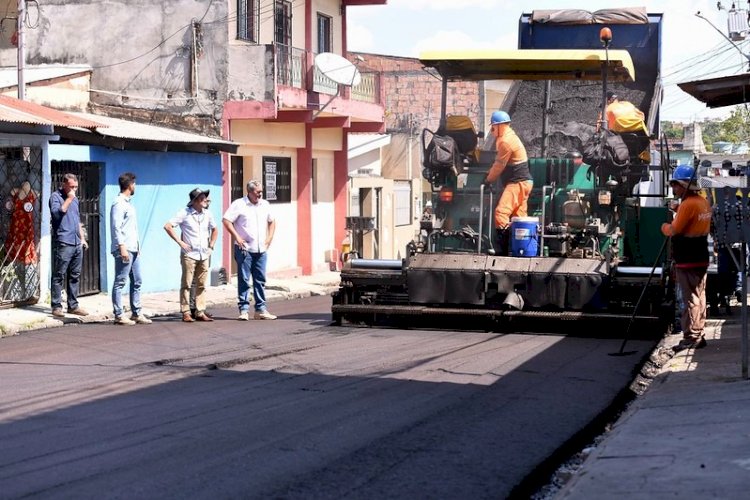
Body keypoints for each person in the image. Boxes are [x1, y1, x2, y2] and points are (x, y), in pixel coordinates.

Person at [661, 165, 712, 352]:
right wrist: (678, 208)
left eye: (675, 185)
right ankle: (699, 332)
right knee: (700, 296)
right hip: (701, 256)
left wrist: (664, 226)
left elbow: (675, 230)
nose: (674, 189)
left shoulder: (688, 204)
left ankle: (691, 336)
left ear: (684, 185)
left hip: (687, 259)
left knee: (690, 299)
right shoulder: (702, 202)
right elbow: (692, 219)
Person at [222, 180, 277, 321]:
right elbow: (226, 220)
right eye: (258, 192)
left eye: (261, 192)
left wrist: (269, 238)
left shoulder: (265, 204)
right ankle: (244, 309)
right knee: (244, 279)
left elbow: (272, 221)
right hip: (244, 249)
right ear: (250, 191)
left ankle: (260, 309)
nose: (260, 194)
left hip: (261, 249)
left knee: (260, 279)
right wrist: (237, 237)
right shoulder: (239, 204)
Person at [482, 110, 533, 255]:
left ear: (499, 126)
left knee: (500, 213)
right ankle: (521, 249)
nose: (492, 131)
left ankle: (503, 250)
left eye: (493, 127)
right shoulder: (508, 136)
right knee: (519, 218)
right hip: (524, 182)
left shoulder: (505, 141)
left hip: (517, 183)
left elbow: (499, 164)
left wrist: (488, 180)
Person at [164, 188, 217, 322]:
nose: (205, 200)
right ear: (195, 201)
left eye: (205, 197)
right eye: (202, 198)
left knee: (201, 284)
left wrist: (211, 245)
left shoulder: (208, 214)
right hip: (189, 254)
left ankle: (200, 311)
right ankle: (186, 311)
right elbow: (168, 226)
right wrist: (180, 242)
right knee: (187, 284)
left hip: (204, 254)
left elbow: (215, 229)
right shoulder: (184, 213)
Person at [110, 172, 152, 326]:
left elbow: (131, 228)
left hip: (133, 248)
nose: (135, 186)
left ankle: (136, 312)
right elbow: (116, 227)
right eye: (134, 183)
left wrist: (137, 247)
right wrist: (122, 247)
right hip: (124, 248)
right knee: (120, 281)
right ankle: (119, 314)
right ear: (129, 185)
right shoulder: (119, 203)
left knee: (137, 280)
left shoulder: (128, 203)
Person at [49, 173, 89, 318]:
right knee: (59, 274)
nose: (74, 190)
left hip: (76, 242)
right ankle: (56, 306)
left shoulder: (75, 199)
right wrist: (69, 198)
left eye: (76, 187)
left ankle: (73, 305)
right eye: (71, 187)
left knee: (75, 275)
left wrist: (82, 238)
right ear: (64, 184)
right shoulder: (56, 197)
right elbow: (57, 214)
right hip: (64, 241)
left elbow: (77, 219)